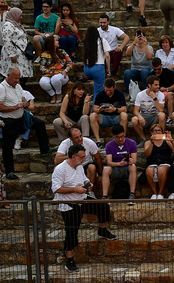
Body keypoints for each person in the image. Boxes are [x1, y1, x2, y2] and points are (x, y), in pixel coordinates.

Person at [52, 143, 115, 272]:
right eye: (81, 157)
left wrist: (88, 184)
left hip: (82, 199)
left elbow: (84, 178)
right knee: (71, 231)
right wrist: (75, 189)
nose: (84, 159)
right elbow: (56, 188)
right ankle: (69, 259)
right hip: (69, 205)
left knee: (102, 206)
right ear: (73, 157)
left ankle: (102, 229)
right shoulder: (60, 169)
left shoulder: (79, 166)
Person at [0, 66, 51, 180]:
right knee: (8, 146)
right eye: (15, 78)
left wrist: (25, 103)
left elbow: (23, 98)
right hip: (8, 120)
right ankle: (10, 171)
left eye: (18, 78)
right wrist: (16, 106)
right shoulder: (1, 88)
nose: (17, 80)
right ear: (8, 76)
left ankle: (45, 150)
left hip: (21, 117)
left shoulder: (18, 86)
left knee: (39, 123)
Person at [90, 15, 129, 95]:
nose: (102, 24)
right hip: (102, 53)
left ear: (108, 22)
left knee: (119, 52)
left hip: (113, 52)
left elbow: (126, 37)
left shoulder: (114, 29)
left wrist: (121, 46)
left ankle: (113, 73)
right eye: (101, 22)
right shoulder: (97, 31)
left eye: (104, 22)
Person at [102, 124, 137, 200]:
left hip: (127, 168)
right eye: (118, 137)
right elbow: (109, 162)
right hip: (116, 168)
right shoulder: (109, 145)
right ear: (113, 136)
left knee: (133, 167)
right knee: (106, 169)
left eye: (122, 136)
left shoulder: (132, 143)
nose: (120, 139)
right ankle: (104, 196)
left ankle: (132, 194)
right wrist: (119, 164)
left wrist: (130, 161)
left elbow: (135, 160)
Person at [144, 124, 174, 199]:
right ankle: (154, 193)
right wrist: (152, 143)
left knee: (161, 170)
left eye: (158, 130)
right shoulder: (148, 143)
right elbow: (147, 154)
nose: (156, 132)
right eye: (154, 131)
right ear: (151, 132)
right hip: (152, 163)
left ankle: (161, 192)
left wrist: (171, 140)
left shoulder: (166, 141)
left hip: (165, 162)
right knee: (149, 171)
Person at [0, 7, 33, 83]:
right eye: (19, 15)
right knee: (15, 76)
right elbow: (6, 39)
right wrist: (11, 54)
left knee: (22, 76)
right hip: (14, 55)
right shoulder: (8, 25)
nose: (21, 17)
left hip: (21, 55)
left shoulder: (17, 24)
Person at [90, 78, 128, 145]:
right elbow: (94, 109)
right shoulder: (100, 95)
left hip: (116, 117)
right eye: (106, 90)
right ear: (104, 86)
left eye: (110, 91)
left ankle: (122, 138)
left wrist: (115, 109)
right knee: (92, 116)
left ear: (114, 87)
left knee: (124, 115)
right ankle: (98, 140)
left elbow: (124, 109)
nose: (108, 92)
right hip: (104, 118)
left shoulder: (120, 94)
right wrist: (99, 109)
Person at [132, 74, 167, 140]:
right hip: (144, 116)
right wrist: (140, 117)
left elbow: (161, 109)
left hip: (155, 116)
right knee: (134, 120)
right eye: (156, 85)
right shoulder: (140, 95)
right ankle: (143, 139)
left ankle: (161, 138)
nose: (158, 87)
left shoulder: (160, 94)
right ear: (149, 85)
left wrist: (154, 98)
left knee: (162, 115)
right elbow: (135, 110)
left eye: (158, 84)